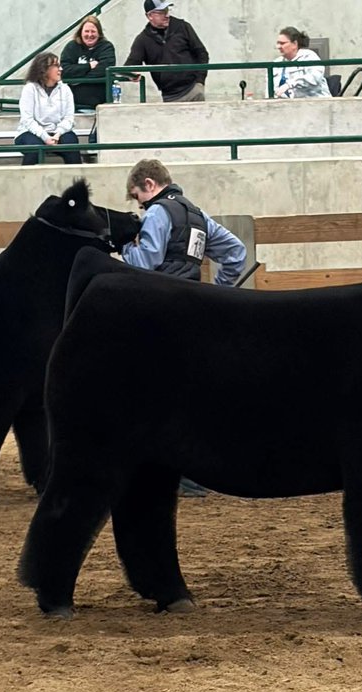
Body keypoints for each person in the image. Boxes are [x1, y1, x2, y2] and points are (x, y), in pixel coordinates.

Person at [124, 158, 247, 497]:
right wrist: (217, 293)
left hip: (159, 311)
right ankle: (196, 470)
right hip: (192, 310)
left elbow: (145, 262)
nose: (140, 205)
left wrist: (121, 247)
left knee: (155, 392)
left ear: (149, 184)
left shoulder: (158, 213)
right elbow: (236, 252)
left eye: (138, 197)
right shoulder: (197, 215)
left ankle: (171, 470)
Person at [124, 1, 210, 103]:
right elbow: (130, 66)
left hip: (194, 91)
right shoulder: (142, 40)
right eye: (161, 12)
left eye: (167, 10)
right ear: (150, 16)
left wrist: (200, 82)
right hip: (170, 96)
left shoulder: (183, 27)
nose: (167, 15)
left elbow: (202, 53)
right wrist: (132, 74)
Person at [14, 52, 81, 166]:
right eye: (56, 66)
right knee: (34, 148)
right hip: (30, 132)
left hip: (57, 132)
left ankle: (77, 180)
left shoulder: (65, 90)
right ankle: (26, 181)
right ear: (44, 69)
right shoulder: (30, 89)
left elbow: (69, 118)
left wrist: (57, 134)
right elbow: (27, 119)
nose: (60, 69)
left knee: (71, 143)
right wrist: (45, 137)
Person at [60, 15, 117, 112]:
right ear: (80, 32)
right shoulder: (71, 47)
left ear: (99, 33)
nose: (90, 35)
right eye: (86, 31)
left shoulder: (106, 47)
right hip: (73, 107)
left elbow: (104, 70)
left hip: (100, 106)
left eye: (93, 31)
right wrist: (89, 66)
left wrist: (76, 79)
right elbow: (64, 71)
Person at [273, 27, 332, 99]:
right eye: (278, 43)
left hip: (315, 104)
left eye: (282, 43)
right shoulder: (276, 63)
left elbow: (314, 78)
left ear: (294, 44)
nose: (278, 47)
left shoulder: (309, 56)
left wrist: (289, 84)